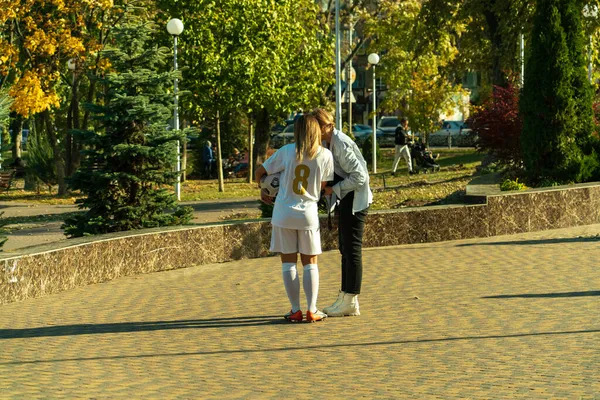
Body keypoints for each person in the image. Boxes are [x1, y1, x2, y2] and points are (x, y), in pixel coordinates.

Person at [255, 114, 334, 323]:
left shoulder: (286, 152)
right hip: (307, 214)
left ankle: (295, 310)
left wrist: (264, 190)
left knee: (288, 262)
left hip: (283, 212)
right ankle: (312, 309)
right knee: (310, 263)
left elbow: (260, 171)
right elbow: (324, 186)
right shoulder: (325, 155)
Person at [313, 108, 372, 317]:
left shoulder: (341, 143)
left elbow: (360, 177)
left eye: (315, 127)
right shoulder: (328, 143)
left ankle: (351, 299)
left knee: (352, 250)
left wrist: (333, 189)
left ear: (325, 126)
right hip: (347, 199)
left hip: (356, 201)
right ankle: (345, 296)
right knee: (345, 249)